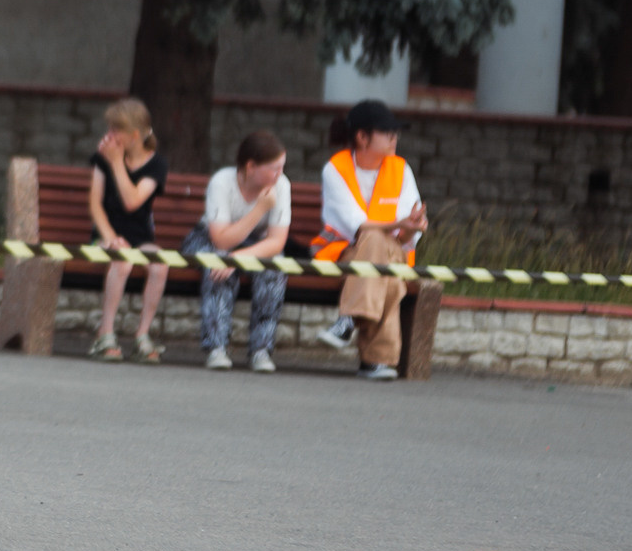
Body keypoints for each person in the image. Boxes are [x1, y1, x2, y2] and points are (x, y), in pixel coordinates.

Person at [314, 98, 427, 380]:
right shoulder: (335, 169)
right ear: (362, 137)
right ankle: (375, 361)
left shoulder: (402, 169)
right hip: (346, 254)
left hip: (394, 253)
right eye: (387, 132)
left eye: (395, 132)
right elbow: (356, 224)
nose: (395, 138)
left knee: (381, 249)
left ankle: (348, 319)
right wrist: (399, 224)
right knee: (384, 267)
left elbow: (405, 237)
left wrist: (413, 227)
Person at [183, 129, 293, 372]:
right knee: (219, 265)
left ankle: (261, 350)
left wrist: (238, 258)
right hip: (208, 239)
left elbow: (276, 242)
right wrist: (260, 209)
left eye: (282, 167)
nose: (280, 174)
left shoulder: (282, 186)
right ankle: (216, 347)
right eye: (274, 168)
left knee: (274, 267)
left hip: (255, 244)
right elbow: (221, 240)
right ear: (251, 166)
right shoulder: (222, 182)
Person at [85, 98, 170, 362]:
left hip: (140, 236)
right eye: (109, 128)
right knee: (121, 262)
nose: (109, 135)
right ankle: (105, 334)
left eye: (115, 130)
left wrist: (117, 163)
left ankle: (142, 335)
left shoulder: (156, 165)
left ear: (134, 136)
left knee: (159, 264)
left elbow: (133, 201)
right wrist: (110, 238)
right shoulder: (102, 158)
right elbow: (95, 203)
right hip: (105, 236)